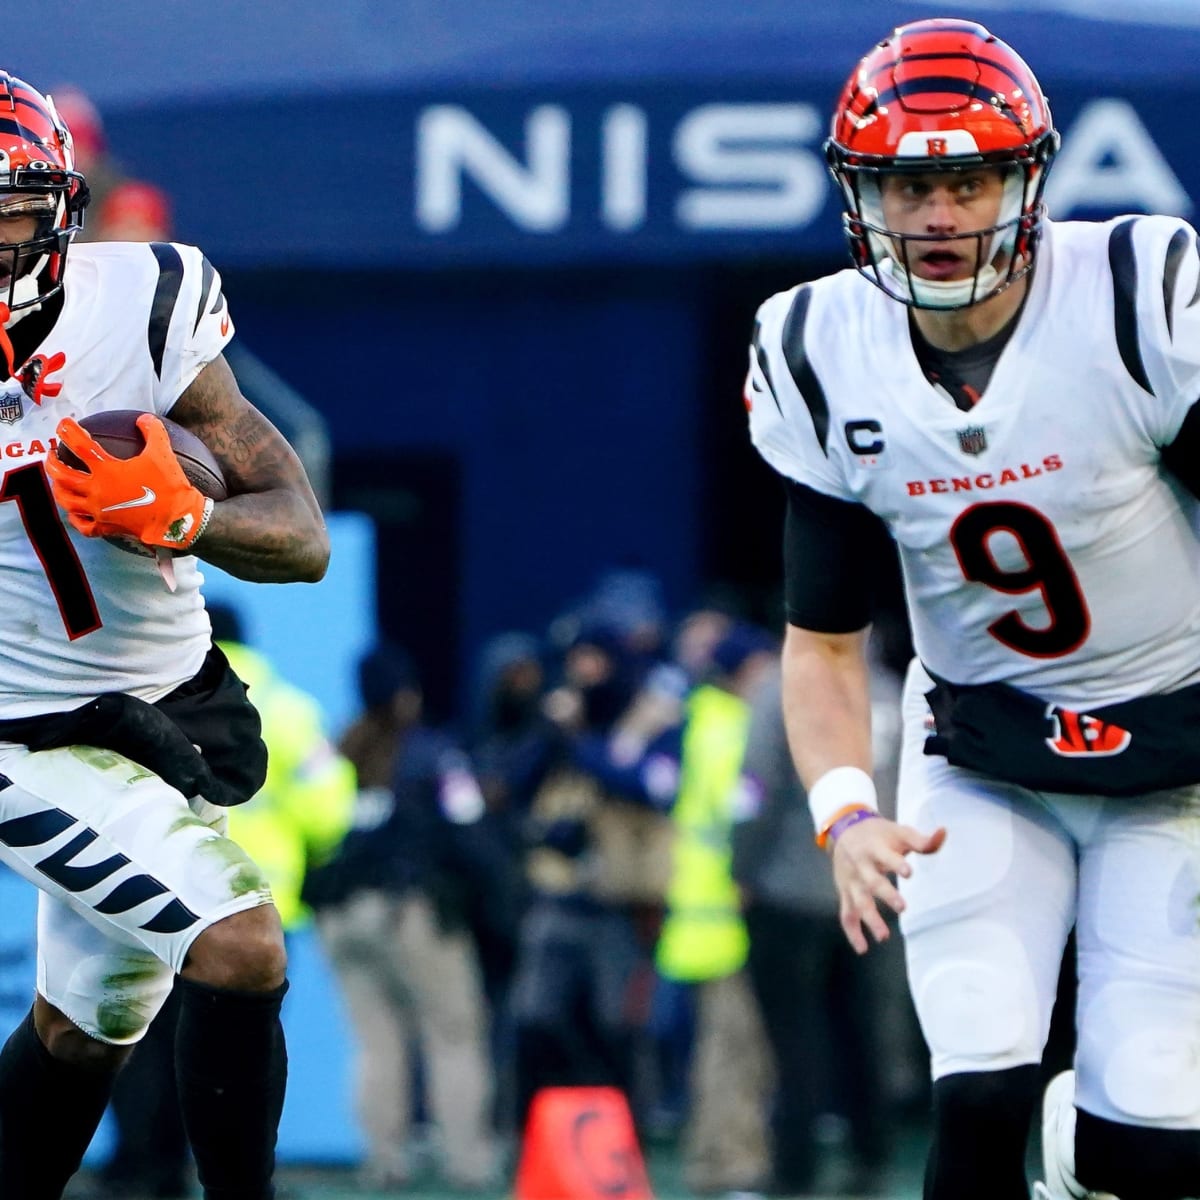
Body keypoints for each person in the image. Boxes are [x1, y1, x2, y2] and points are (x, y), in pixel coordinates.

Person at [745, 18, 1200, 1200]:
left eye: (969, 177)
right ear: (863, 195)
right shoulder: (818, 348)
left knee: (1148, 1150)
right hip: (984, 751)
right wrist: (846, 816)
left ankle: (1083, 1148)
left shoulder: (1135, 299)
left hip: (1178, 755)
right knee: (978, 1086)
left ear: (1024, 179)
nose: (939, 214)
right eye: (907, 183)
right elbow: (825, 642)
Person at [0, 70, 329, 1200]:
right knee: (239, 943)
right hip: (15, 729)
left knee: (87, 1027)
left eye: (7, 210)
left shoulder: (141, 302)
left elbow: (302, 535)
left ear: (58, 212)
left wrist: (193, 518)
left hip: (164, 705)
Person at [303, 642, 502, 1192]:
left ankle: (384, 1160)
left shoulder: (334, 750)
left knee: (376, 1041)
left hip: (339, 915)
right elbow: (470, 831)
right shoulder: (432, 753)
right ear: (407, 694)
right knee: (454, 1034)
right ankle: (469, 1162)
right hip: (406, 909)